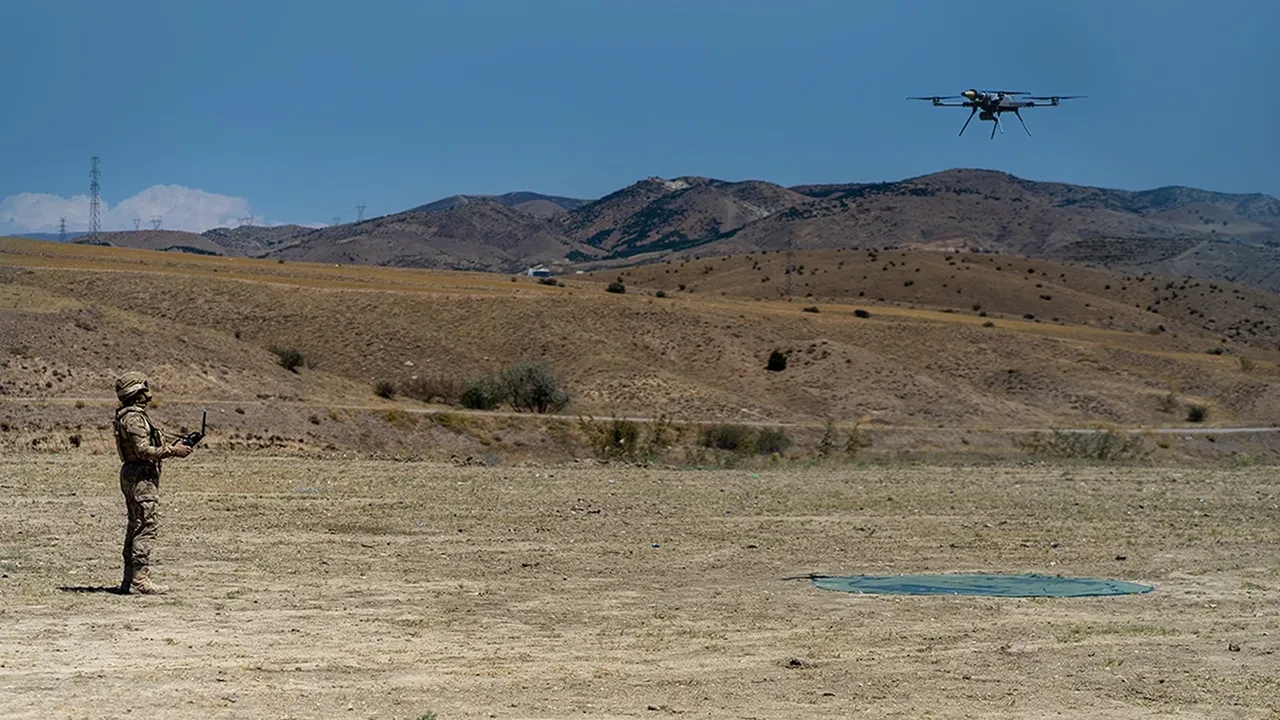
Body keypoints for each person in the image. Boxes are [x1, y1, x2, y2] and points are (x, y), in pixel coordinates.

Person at [112, 372, 194, 595]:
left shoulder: (128, 416)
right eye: (144, 390)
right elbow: (142, 450)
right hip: (141, 476)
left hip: (136, 474)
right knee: (145, 525)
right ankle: (140, 580)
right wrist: (173, 451)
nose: (148, 395)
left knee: (136, 524)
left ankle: (130, 580)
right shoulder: (134, 418)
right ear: (136, 393)